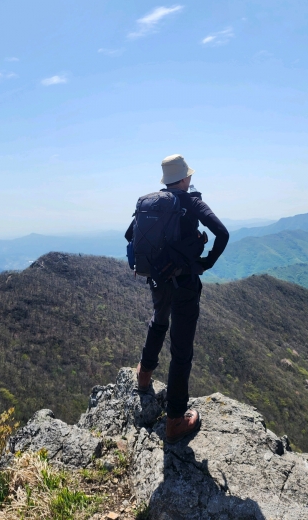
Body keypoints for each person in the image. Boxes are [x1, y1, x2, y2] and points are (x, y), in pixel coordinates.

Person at [125, 154, 229, 444]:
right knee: (181, 350)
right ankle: (175, 421)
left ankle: (144, 377)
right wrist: (205, 263)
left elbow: (129, 235)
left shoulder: (151, 203)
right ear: (184, 178)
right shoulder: (191, 202)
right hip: (184, 283)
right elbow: (222, 233)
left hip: (158, 279)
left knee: (158, 321)